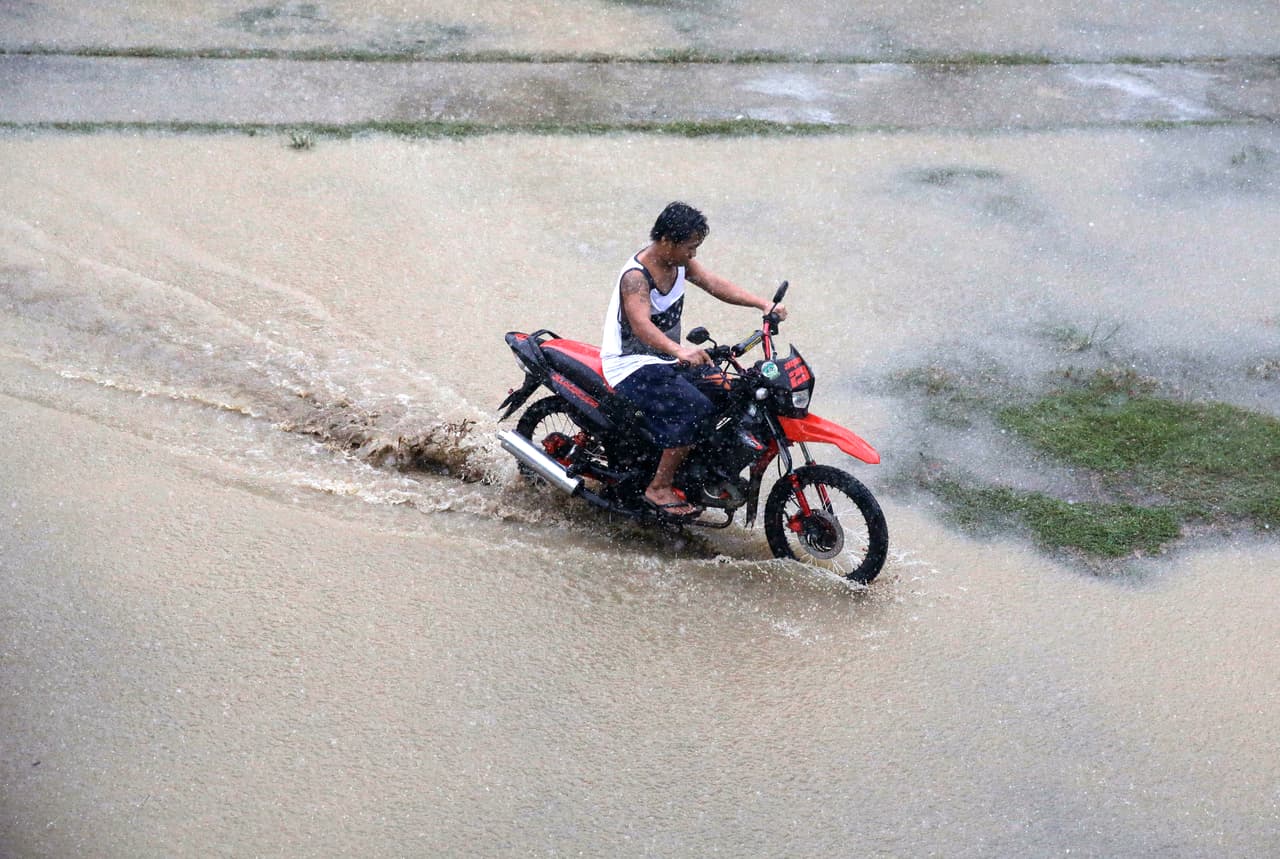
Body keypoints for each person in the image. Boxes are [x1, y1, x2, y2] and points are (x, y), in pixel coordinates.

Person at [601, 201, 787, 519]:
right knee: (694, 409)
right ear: (667, 242)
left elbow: (715, 285)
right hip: (631, 364)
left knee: (731, 391)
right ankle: (658, 487)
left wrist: (762, 304)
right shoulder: (636, 276)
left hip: (666, 361)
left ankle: (700, 472)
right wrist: (679, 351)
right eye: (690, 247)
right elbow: (641, 325)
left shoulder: (679, 265)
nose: (694, 255)